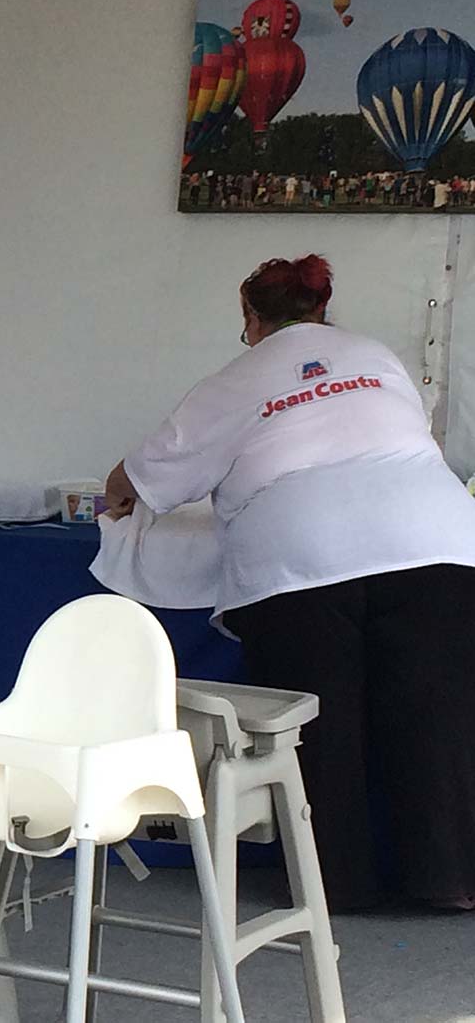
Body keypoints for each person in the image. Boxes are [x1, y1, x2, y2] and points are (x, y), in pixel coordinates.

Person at [104, 254, 475, 911]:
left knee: (317, 722)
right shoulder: (377, 356)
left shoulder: (235, 379)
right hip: (436, 542)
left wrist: (114, 500)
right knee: (435, 718)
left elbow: (138, 478)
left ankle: (333, 884)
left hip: (303, 554)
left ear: (250, 315)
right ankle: (449, 879)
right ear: (322, 309)